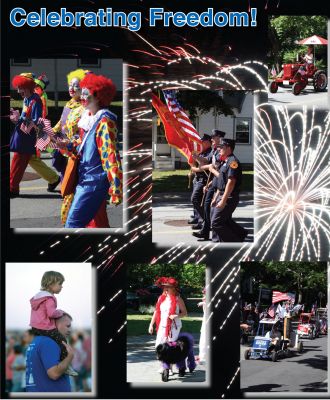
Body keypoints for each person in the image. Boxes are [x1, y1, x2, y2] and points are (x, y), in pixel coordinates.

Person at [60, 73, 123, 228]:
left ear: (98, 97)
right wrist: (68, 145)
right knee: (97, 224)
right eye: (82, 93)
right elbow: (82, 147)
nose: (82, 97)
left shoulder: (104, 122)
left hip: (93, 183)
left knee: (72, 224)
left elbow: (110, 154)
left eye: (86, 94)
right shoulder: (88, 119)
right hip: (84, 178)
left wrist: (116, 187)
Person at [10, 73, 60, 197]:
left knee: (18, 162)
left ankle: (12, 189)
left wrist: (19, 120)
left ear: (27, 87)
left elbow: (37, 121)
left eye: (20, 87)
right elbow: (24, 116)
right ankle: (54, 179)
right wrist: (16, 116)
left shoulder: (36, 100)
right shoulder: (26, 99)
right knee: (32, 160)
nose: (18, 90)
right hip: (22, 134)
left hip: (27, 137)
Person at [29, 270, 77, 376]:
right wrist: (60, 312)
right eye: (60, 284)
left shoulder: (38, 297)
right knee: (62, 341)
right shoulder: (49, 298)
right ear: (51, 284)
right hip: (45, 327)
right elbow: (51, 314)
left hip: (35, 327)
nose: (62, 287)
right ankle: (65, 366)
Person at [52, 69, 88, 181]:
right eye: (70, 85)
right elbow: (62, 121)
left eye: (76, 86)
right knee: (60, 164)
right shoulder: (70, 103)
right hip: (64, 142)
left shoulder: (85, 107)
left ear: (83, 88)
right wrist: (53, 131)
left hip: (77, 145)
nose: (71, 88)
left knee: (72, 173)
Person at [210, 138, 248, 242]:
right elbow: (222, 182)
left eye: (221, 147)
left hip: (229, 197)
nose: (219, 149)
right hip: (222, 195)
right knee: (224, 220)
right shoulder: (225, 161)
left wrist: (223, 200)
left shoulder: (233, 162)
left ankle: (234, 242)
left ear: (229, 148)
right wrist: (216, 197)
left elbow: (231, 183)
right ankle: (241, 234)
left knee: (216, 222)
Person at [26, 313, 74, 392]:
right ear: (55, 324)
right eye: (68, 326)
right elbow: (54, 374)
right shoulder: (49, 342)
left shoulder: (37, 340)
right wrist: (70, 356)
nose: (70, 330)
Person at [148, 277, 187, 374]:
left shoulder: (178, 299)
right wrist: (151, 324)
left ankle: (169, 368)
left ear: (174, 288)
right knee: (159, 346)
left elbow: (185, 313)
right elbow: (156, 312)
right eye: (165, 287)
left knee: (170, 348)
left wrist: (176, 315)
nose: (166, 289)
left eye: (168, 287)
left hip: (174, 326)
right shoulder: (161, 298)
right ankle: (163, 366)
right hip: (162, 326)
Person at [192, 129, 226, 240]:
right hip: (212, 182)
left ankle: (232, 233)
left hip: (218, 183)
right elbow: (207, 162)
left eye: (214, 137)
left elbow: (218, 168)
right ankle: (205, 232)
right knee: (207, 207)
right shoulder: (215, 151)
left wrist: (205, 168)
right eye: (211, 137)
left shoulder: (222, 151)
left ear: (219, 138)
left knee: (213, 209)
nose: (212, 139)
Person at [188, 134, 212, 229]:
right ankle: (200, 220)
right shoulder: (203, 151)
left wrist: (195, 158)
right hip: (197, 179)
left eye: (203, 142)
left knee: (195, 199)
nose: (201, 143)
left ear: (208, 142)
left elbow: (204, 163)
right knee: (197, 200)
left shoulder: (210, 152)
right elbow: (197, 164)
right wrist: (193, 170)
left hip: (204, 180)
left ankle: (205, 221)